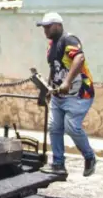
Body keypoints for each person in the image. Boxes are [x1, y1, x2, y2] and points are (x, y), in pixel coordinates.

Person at [36, 12, 97, 178]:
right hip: (58, 95)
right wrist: (46, 90)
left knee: (71, 127)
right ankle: (58, 164)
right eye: (44, 27)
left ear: (58, 25)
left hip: (79, 93)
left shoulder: (69, 40)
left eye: (48, 27)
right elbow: (54, 68)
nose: (45, 30)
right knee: (54, 128)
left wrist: (67, 81)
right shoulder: (51, 45)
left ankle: (90, 157)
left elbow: (79, 58)